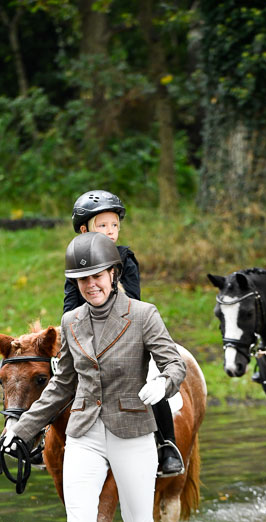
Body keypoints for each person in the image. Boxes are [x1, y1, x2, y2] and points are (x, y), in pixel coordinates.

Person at [2, 231, 186, 522]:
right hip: (84, 434)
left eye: (98, 276)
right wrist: (20, 429)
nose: (91, 285)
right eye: (83, 279)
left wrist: (162, 383)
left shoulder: (143, 315)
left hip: (132, 429)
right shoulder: (71, 322)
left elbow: (175, 364)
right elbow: (61, 385)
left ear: (114, 274)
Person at [64, 188, 184, 477]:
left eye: (114, 225)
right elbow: (69, 304)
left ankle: (166, 444)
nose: (110, 231)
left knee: (151, 376)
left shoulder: (125, 257)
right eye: (102, 225)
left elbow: (135, 300)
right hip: (87, 333)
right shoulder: (76, 260)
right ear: (84, 229)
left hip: (126, 331)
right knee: (60, 376)